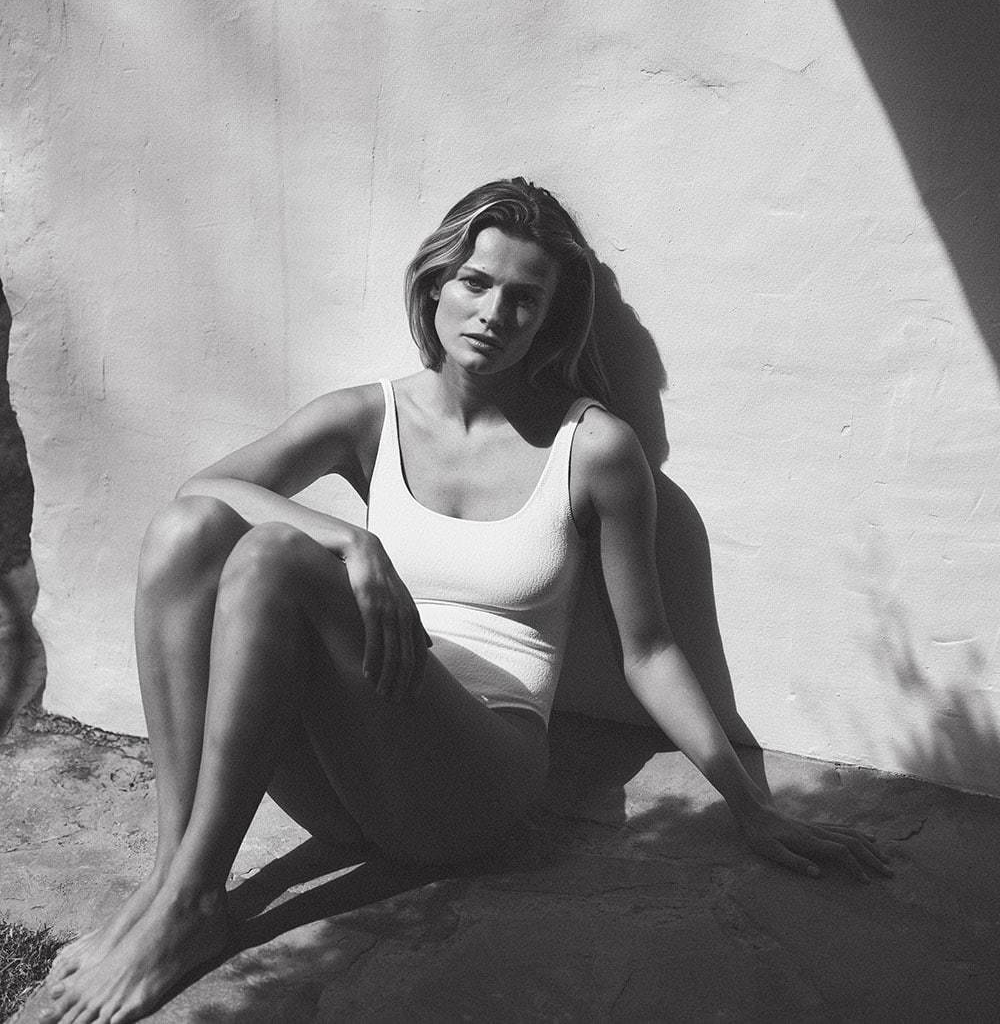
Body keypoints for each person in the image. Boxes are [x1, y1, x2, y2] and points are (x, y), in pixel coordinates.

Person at [42, 178, 890, 1023]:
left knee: (270, 557)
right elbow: (202, 491)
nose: (494, 313)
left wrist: (752, 804)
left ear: (550, 319)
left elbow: (650, 649)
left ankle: (192, 907)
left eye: (524, 299)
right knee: (186, 533)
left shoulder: (593, 448)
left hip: (474, 776)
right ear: (436, 284)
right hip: (358, 769)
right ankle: (171, 881)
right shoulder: (372, 415)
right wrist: (351, 540)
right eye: (477, 282)